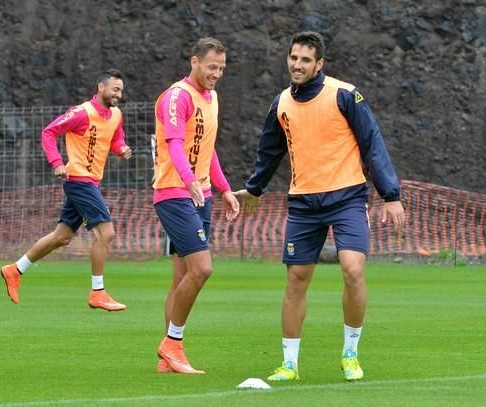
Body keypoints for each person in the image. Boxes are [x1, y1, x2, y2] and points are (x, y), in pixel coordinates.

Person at [234, 32, 405, 382]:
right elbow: (269, 152)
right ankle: (290, 365)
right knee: (296, 279)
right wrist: (254, 189)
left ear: (319, 64)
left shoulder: (344, 94)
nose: (297, 65)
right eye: (293, 58)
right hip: (303, 203)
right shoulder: (280, 103)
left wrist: (391, 195)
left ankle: (350, 354)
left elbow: (372, 142)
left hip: (347, 198)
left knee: (353, 269)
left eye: (305, 60)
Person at [0, 69, 132, 311]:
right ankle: (98, 292)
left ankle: (15, 269)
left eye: (121, 90)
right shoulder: (82, 113)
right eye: (115, 89)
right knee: (106, 233)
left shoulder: (116, 115)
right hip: (78, 179)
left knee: (62, 237)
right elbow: (49, 132)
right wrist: (57, 163)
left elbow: (116, 138)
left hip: (90, 181)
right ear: (100, 87)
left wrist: (121, 149)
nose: (119, 94)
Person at [153, 38, 240, 374]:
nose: (216, 73)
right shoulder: (178, 96)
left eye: (221, 68)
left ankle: (167, 359)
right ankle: (173, 343)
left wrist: (224, 188)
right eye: (211, 67)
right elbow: (175, 143)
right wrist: (188, 179)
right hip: (175, 193)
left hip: (199, 194)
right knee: (202, 269)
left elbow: (207, 147)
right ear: (194, 62)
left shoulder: (212, 97)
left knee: (181, 278)